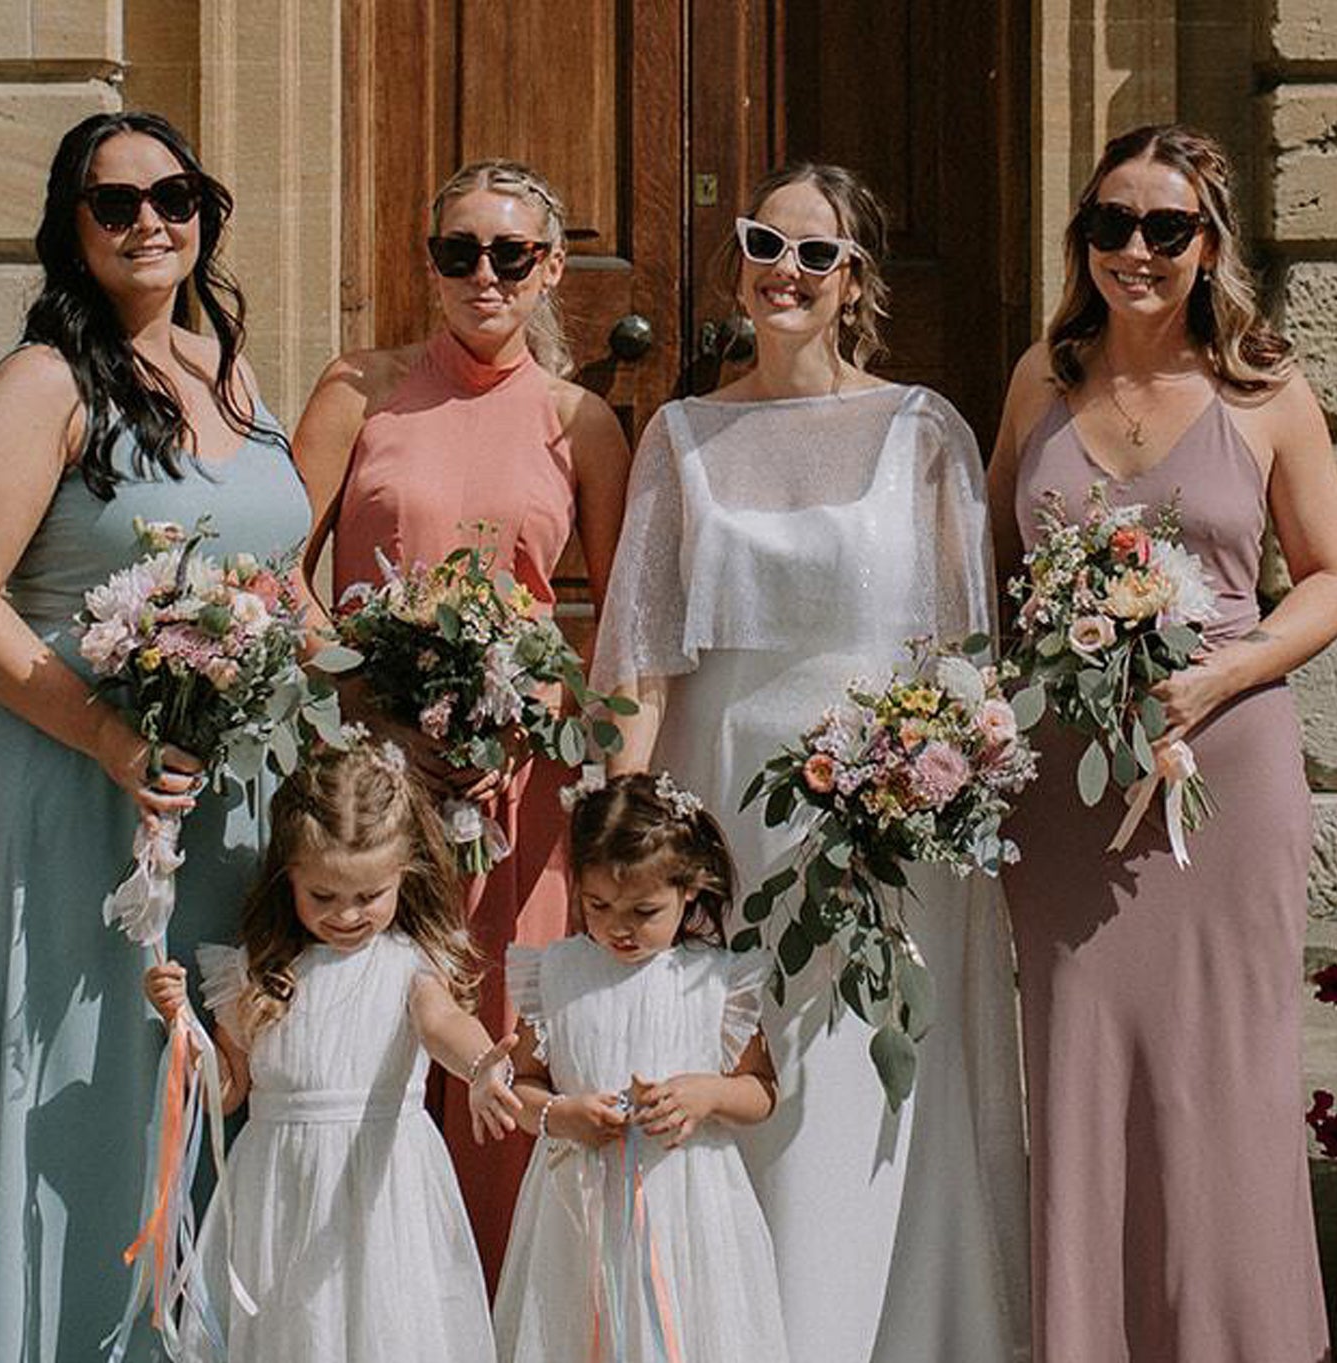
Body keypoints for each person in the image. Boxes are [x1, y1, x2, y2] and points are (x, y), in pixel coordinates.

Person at [0, 112, 310, 1363]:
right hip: (73, 785)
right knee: (82, 1082)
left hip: (227, 795)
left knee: (209, 1074)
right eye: (111, 204)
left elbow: (277, 576)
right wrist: (112, 739)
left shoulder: (227, 365)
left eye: (170, 196)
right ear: (72, 228)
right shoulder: (44, 381)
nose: (147, 223)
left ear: (203, 211)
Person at [593, 163, 1029, 1363]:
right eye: (762, 244)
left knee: (847, 1074)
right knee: (734, 1052)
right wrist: (616, 817)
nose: (783, 271)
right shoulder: (681, 433)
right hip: (720, 792)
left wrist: (931, 780)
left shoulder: (920, 429)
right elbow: (640, 654)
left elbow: (958, 649)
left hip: (877, 807)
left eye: (814, 254)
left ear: (853, 283)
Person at [987, 123, 1337, 1363]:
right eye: (1109, 225)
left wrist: (1223, 673)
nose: (1134, 251)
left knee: (1222, 1080)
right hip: (1067, 788)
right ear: (1079, 239)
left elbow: (1331, 578)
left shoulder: (1262, 386)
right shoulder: (1040, 381)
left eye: (1164, 228)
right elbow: (992, 571)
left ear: (1208, 243)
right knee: (1081, 1071)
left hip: (1226, 777)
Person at [292, 158, 631, 1279]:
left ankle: (506, 1313)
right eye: (458, 252)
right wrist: (362, 699)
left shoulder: (579, 421)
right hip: (366, 785)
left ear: (550, 269)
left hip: (511, 792)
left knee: (501, 1052)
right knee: (367, 1049)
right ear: (426, 264)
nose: (482, 274)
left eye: (510, 254)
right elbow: (274, 571)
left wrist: (539, 717)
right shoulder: (359, 389)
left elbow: (623, 621)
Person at [141, 744, 517, 1363]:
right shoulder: (254, 974)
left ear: (404, 875)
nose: (347, 915)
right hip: (283, 1192)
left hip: (385, 1189)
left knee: (389, 1329)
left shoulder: (406, 964)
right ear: (287, 877)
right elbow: (227, 1092)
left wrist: (481, 1067)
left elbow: (444, 1021)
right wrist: (181, 1021)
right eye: (323, 896)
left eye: (369, 896)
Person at [491, 772, 788, 1363]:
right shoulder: (557, 974)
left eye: (644, 910)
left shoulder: (713, 982)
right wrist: (559, 1112)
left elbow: (762, 1091)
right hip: (579, 1210)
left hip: (688, 1205)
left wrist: (708, 1095)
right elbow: (518, 1086)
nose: (618, 927)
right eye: (597, 906)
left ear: (690, 892)